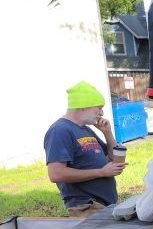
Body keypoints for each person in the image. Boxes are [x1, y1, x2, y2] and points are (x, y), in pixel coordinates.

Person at [44, 81, 126, 218]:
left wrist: (108, 133)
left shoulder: (85, 129)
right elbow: (56, 174)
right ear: (83, 107)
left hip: (102, 205)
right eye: (99, 108)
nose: (102, 112)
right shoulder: (60, 130)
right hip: (86, 207)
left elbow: (113, 159)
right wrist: (101, 172)